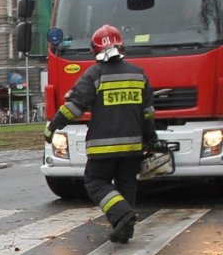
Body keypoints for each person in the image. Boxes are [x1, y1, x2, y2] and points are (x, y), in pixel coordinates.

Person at [44, 24, 155, 243]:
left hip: (102, 146)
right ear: (121, 46)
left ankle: (122, 214)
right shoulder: (138, 73)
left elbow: (74, 107)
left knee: (95, 182)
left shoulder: (94, 74)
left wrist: (53, 126)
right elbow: (148, 113)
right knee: (127, 184)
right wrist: (151, 138)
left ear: (95, 50)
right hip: (133, 146)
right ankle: (124, 229)